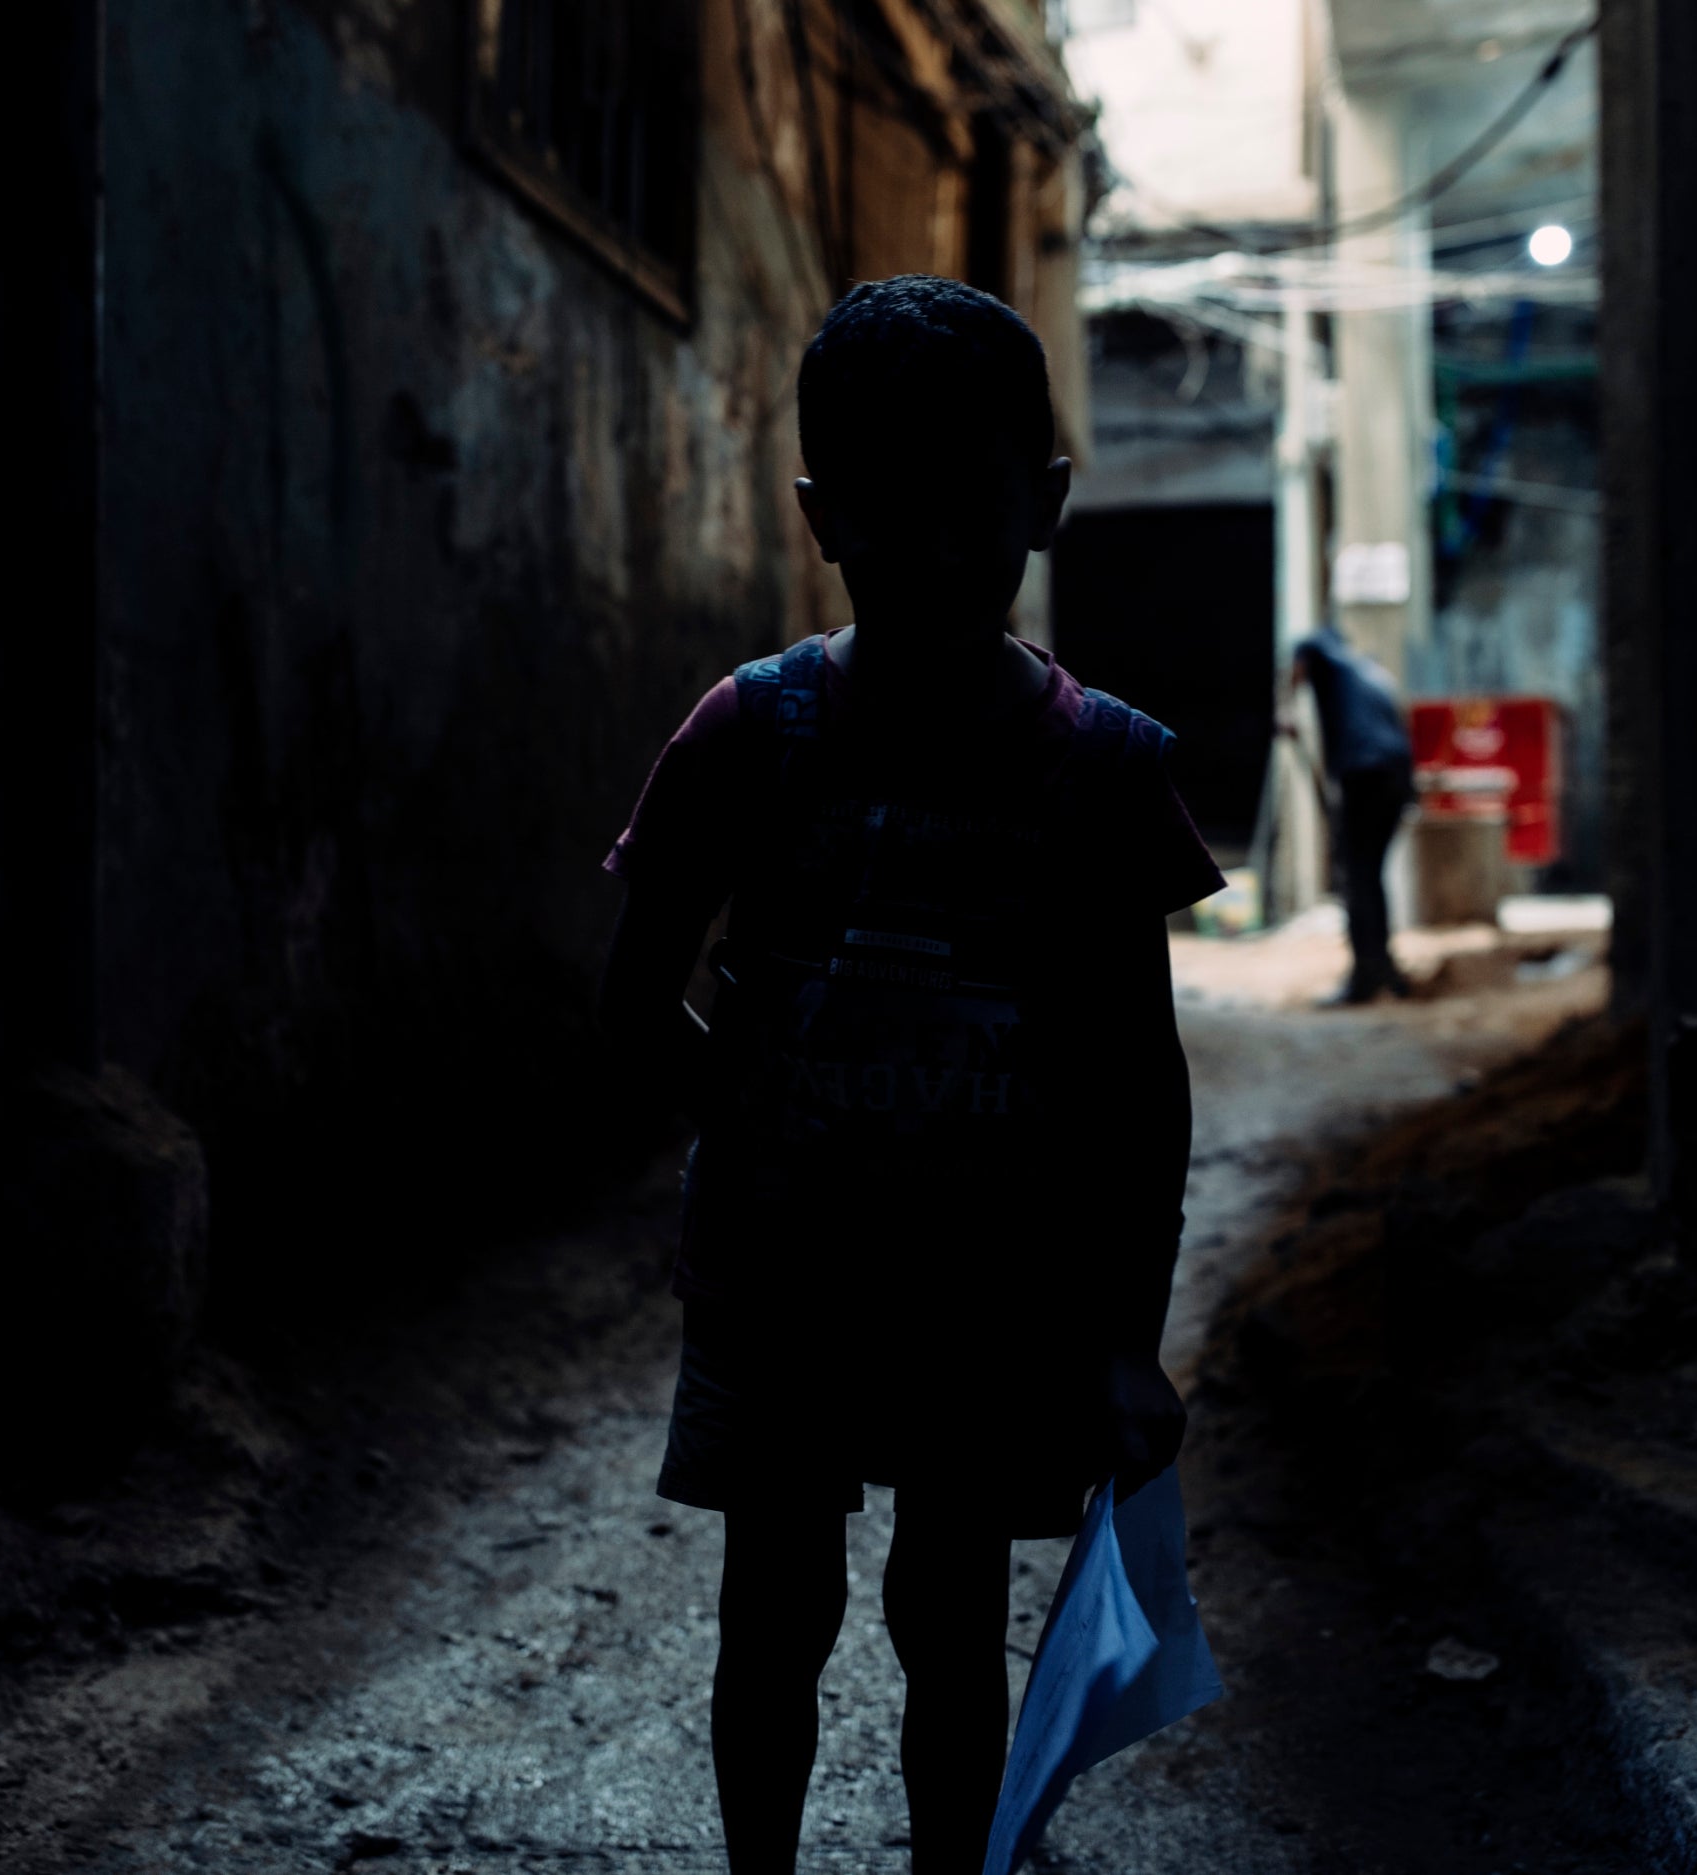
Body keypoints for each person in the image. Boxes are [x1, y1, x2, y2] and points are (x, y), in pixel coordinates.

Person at [598, 275, 1223, 1875]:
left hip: (993, 1308)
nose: (942, 558)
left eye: (979, 516)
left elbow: (1137, 1088)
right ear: (822, 517)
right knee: (778, 1615)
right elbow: (627, 993)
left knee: (950, 1625)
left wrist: (1126, 1342)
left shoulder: (1102, 769)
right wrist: (750, 1130)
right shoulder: (753, 733)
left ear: (1048, 504)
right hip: (784, 1293)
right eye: (894, 520)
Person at [1293, 627, 1415, 1004]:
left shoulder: (1323, 659)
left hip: (1366, 775)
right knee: (1369, 875)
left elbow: (1303, 655)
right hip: (1396, 776)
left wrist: (1285, 703)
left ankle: (1365, 976)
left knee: (1357, 877)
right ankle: (1383, 967)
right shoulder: (1366, 670)